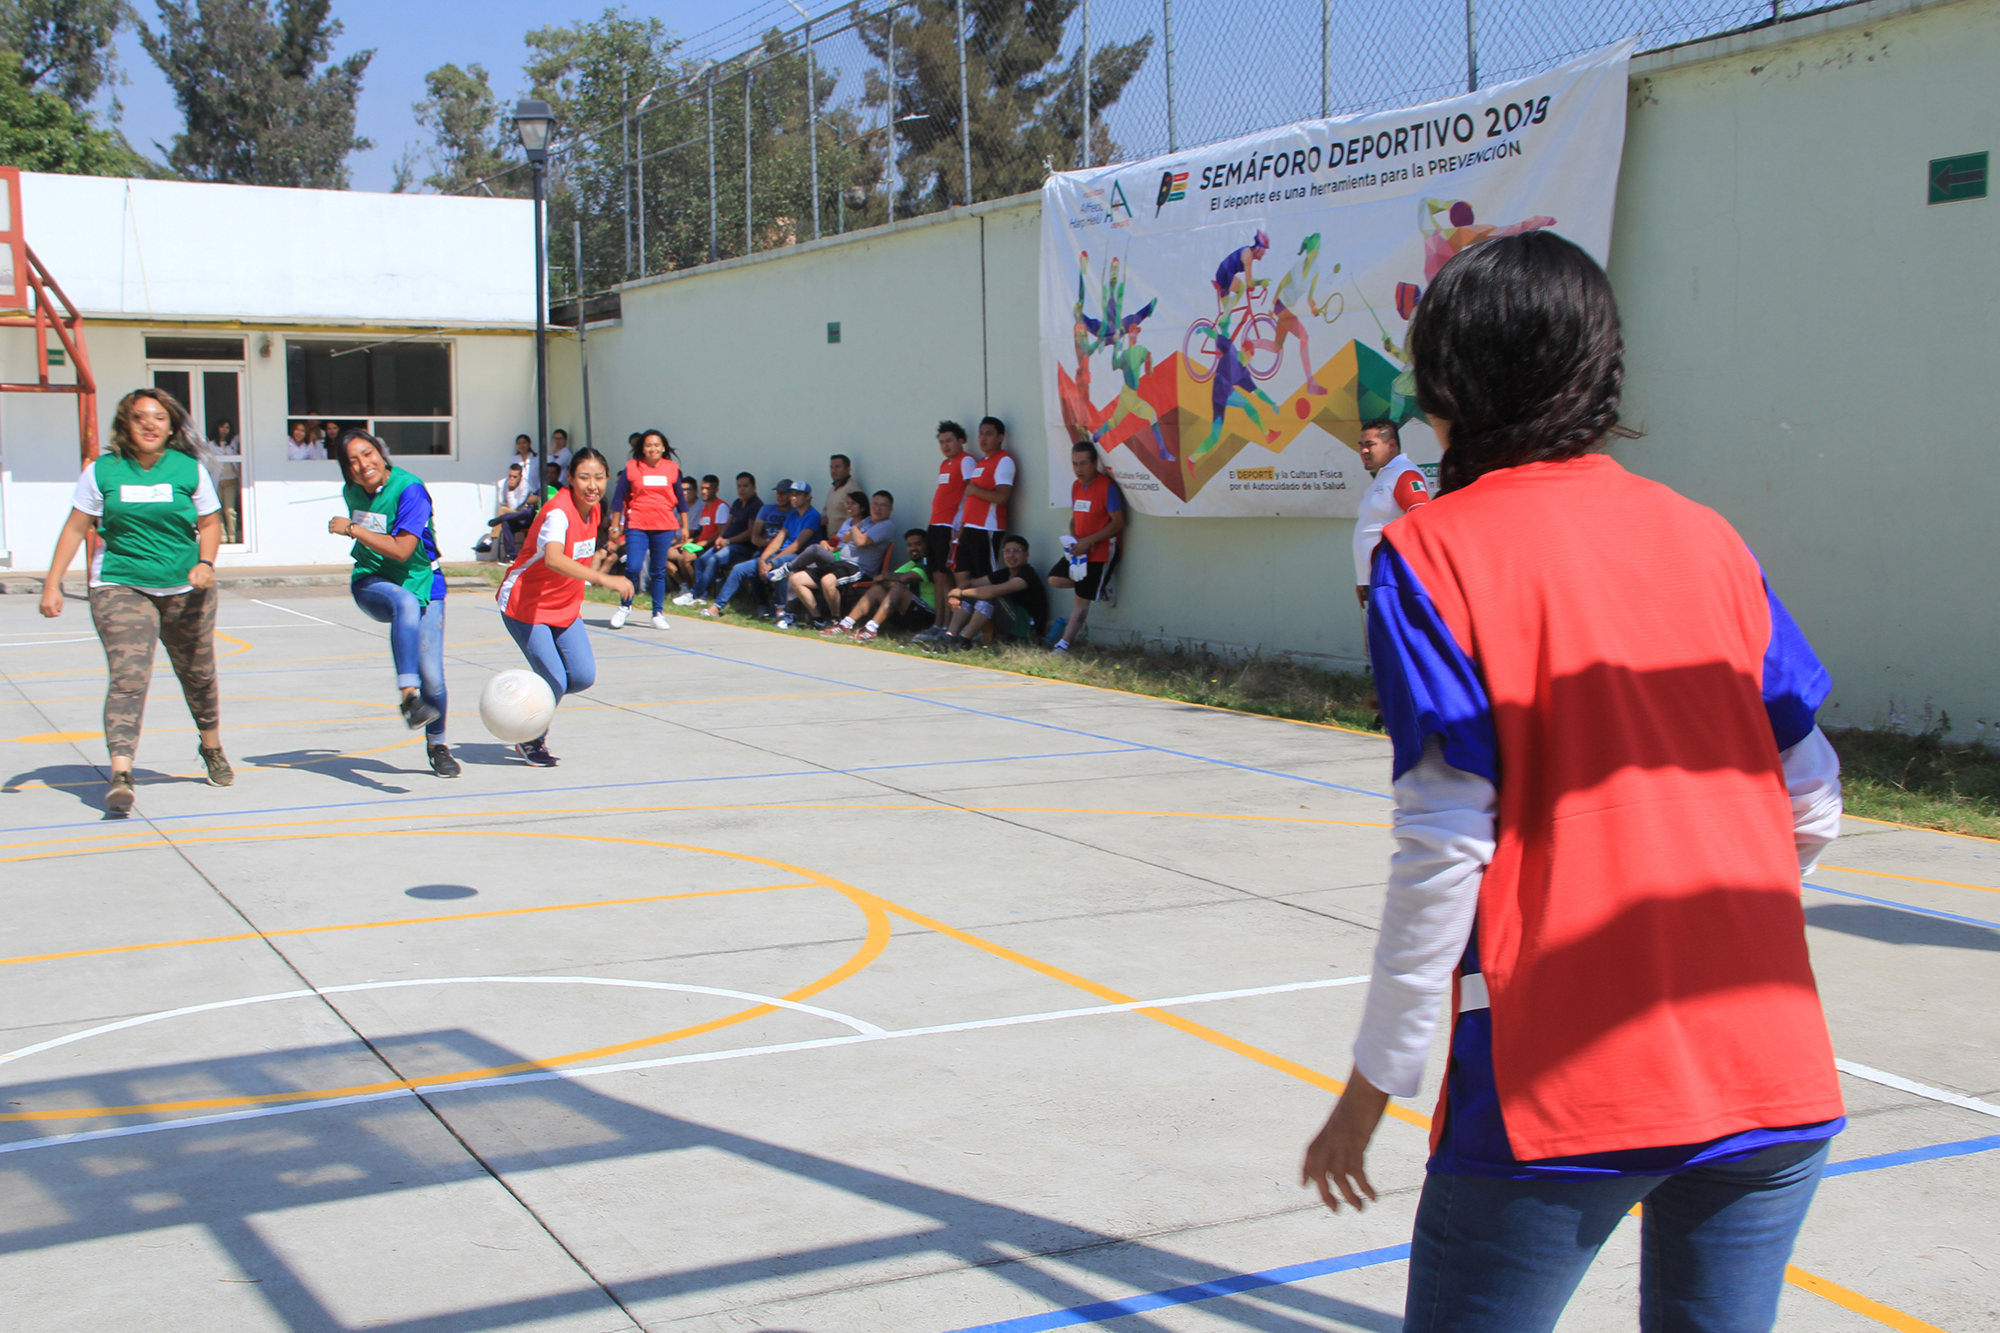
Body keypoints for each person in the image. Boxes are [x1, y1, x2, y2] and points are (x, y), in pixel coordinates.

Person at [1298, 231, 1846, 1332]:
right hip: (1769, 1064)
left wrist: (1371, 1086)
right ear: (1599, 370)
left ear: (1446, 385)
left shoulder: (1431, 554)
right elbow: (1812, 797)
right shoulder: (1709, 541)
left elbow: (1443, 842)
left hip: (1559, 1085)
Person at [38, 388, 230, 810]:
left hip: (186, 588)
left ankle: (211, 747)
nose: (149, 424)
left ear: (171, 426)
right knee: (129, 677)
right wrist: (52, 583)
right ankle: (121, 772)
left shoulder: (189, 469)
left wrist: (206, 562)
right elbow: (75, 528)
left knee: (198, 675)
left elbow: (212, 523)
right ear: (125, 423)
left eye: (159, 417)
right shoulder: (103, 471)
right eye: (140, 416)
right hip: (120, 584)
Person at [326, 429, 458, 779]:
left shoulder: (410, 489)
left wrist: (352, 529)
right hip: (374, 581)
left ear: (381, 453)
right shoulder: (351, 490)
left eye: (367, 454)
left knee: (434, 676)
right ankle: (408, 697)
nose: (362, 464)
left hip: (422, 581)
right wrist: (359, 531)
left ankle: (438, 746)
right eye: (352, 460)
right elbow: (379, 543)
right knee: (402, 603)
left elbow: (402, 549)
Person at [495, 447, 633, 766]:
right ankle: (531, 738)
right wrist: (605, 579)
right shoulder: (558, 512)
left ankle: (529, 698)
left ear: (607, 479)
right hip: (526, 605)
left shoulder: (595, 510)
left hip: (565, 606)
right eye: (584, 477)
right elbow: (555, 558)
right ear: (570, 479)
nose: (592, 485)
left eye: (599, 478)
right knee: (555, 678)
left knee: (582, 677)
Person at [1048, 441, 1125, 653]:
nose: (1078, 470)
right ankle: (1099, 586)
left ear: (1095, 464)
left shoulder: (1107, 487)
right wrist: (1074, 538)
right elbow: (1075, 518)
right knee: (1055, 578)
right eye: (1074, 464)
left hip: (1101, 552)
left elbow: (1118, 523)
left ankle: (1063, 646)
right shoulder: (1076, 486)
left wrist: (1089, 541)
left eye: (1083, 464)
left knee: (1081, 600)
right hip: (1079, 551)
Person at [607, 428, 686, 630]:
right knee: (632, 567)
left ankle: (657, 613)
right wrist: (615, 525)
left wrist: (684, 526)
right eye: (648, 445)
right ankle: (625, 606)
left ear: (663, 448)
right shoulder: (632, 467)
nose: (653, 449)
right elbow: (618, 499)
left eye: (657, 445)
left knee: (658, 570)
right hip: (637, 525)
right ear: (642, 449)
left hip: (664, 526)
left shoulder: (672, 468)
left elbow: (681, 501)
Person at [1351, 418, 1430, 617]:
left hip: (1393, 584)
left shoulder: (1405, 473)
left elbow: (1422, 520)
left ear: (1392, 446)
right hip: (1376, 582)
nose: (1364, 452)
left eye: (1370, 445)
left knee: (1394, 647)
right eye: (1361, 446)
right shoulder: (1384, 476)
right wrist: (1364, 579)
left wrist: (1399, 577)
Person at [789, 489, 895, 628]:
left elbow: (861, 541)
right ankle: (818, 619)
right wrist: (851, 533)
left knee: (827, 581)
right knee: (797, 579)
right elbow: (845, 538)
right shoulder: (867, 521)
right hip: (841, 564)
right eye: (875, 504)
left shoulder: (886, 525)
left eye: (883, 505)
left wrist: (854, 530)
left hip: (859, 569)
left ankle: (835, 620)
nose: (877, 508)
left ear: (890, 509)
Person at [914, 421, 978, 643]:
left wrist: (963, 524)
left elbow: (971, 492)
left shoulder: (967, 461)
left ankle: (949, 626)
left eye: (949, 440)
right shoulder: (945, 464)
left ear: (961, 440)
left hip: (950, 526)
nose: (945, 445)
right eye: (941, 442)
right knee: (938, 577)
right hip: (935, 524)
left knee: (948, 578)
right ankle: (937, 623)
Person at [930, 533, 1046, 651]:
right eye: (1007, 551)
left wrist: (961, 593)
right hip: (1009, 625)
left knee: (989, 596)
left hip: (1026, 630)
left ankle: (964, 640)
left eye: (1016, 551)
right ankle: (949, 637)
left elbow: (993, 591)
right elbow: (971, 583)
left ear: (1026, 555)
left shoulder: (1027, 575)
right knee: (971, 595)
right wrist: (956, 593)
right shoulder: (1004, 573)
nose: (1011, 555)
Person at [706, 479, 800, 618]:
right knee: (744, 568)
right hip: (762, 551)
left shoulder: (794, 514)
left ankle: (776, 610)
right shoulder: (766, 509)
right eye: (778, 493)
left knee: (758, 571)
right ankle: (719, 606)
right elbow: (754, 536)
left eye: (784, 493)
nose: (780, 496)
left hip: (781, 556)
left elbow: (787, 542)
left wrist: (770, 553)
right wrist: (766, 546)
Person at [823, 528, 934, 642]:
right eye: (909, 545)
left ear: (927, 545)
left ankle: (871, 629)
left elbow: (905, 578)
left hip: (927, 617)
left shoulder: (928, 562)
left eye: (918, 544)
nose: (913, 548)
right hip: (909, 615)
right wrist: (890, 581)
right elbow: (880, 581)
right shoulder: (911, 564)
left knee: (898, 587)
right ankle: (846, 624)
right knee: (878, 589)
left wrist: (886, 576)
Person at [954, 416, 1014, 592]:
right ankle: (967, 617)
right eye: (980, 434)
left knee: (986, 579)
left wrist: (974, 491)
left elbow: (1002, 496)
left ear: (1000, 437)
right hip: (969, 528)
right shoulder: (981, 462)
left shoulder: (1004, 460)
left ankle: (992, 617)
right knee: (963, 577)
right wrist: (963, 527)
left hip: (987, 527)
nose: (983, 438)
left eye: (989, 434)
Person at [685, 472, 762, 605]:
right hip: (727, 543)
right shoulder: (737, 503)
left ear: (754, 487)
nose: (741, 489)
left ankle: (694, 593)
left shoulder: (756, 505)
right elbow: (728, 523)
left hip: (743, 547)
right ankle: (702, 596)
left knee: (714, 559)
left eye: (745, 486)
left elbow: (750, 532)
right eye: (739, 486)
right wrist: (720, 538)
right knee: (701, 561)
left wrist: (728, 541)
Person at [210, 420, 243, 543]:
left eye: (227, 427)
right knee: (218, 510)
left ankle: (232, 538)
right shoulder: (211, 444)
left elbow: (245, 433)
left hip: (231, 480)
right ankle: (222, 538)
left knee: (230, 510)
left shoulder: (232, 442)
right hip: (217, 480)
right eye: (222, 427)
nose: (224, 430)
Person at [822, 453, 863, 530]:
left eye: (837, 467)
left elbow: (854, 518)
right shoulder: (833, 489)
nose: (833, 471)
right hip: (830, 537)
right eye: (831, 467)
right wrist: (824, 516)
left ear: (848, 469)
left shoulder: (851, 490)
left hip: (843, 539)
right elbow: (827, 507)